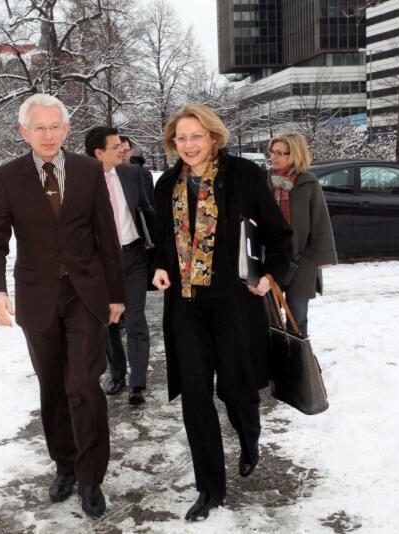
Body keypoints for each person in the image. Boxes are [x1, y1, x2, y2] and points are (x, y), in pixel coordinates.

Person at [0, 94, 125, 518]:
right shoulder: (7, 177)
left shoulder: (89, 171)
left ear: (66, 130)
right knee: (53, 387)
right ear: (24, 133)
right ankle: (65, 465)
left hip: (86, 295)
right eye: (37, 127)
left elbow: (106, 238)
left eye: (53, 126)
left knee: (82, 383)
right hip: (38, 298)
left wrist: (116, 295)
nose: (46, 134)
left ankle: (92, 475)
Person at [150, 103, 292, 521]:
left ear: (214, 137)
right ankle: (210, 488)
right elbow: (161, 241)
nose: (188, 145)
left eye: (196, 136)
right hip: (186, 307)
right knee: (195, 397)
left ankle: (249, 436)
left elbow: (278, 235)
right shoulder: (167, 185)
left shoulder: (244, 177)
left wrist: (270, 275)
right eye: (181, 138)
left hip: (233, 304)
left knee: (236, 389)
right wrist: (160, 266)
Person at [85, 126, 156, 406]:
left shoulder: (133, 173)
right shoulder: (82, 181)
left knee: (136, 319)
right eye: (116, 147)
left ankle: (138, 383)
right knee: (109, 321)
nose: (123, 150)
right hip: (101, 261)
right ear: (98, 153)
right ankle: (117, 374)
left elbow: (148, 210)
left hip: (134, 256)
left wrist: (154, 245)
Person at [267, 132, 337, 337]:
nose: (274, 157)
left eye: (281, 153)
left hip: (301, 260)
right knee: (268, 315)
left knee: (297, 317)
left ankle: (297, 362)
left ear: (295, 154)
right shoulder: (264, 181)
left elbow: (320, 220)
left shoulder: (307, 182)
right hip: (270, 260)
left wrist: (323, 256)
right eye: (272, 152)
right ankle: (272, 359)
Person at [121, 135, 155, 204]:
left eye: (125, 150)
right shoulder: (106, 174)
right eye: (119, 150)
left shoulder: (144, 174)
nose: (122, 154)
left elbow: (151, 201)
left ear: (131, 151)